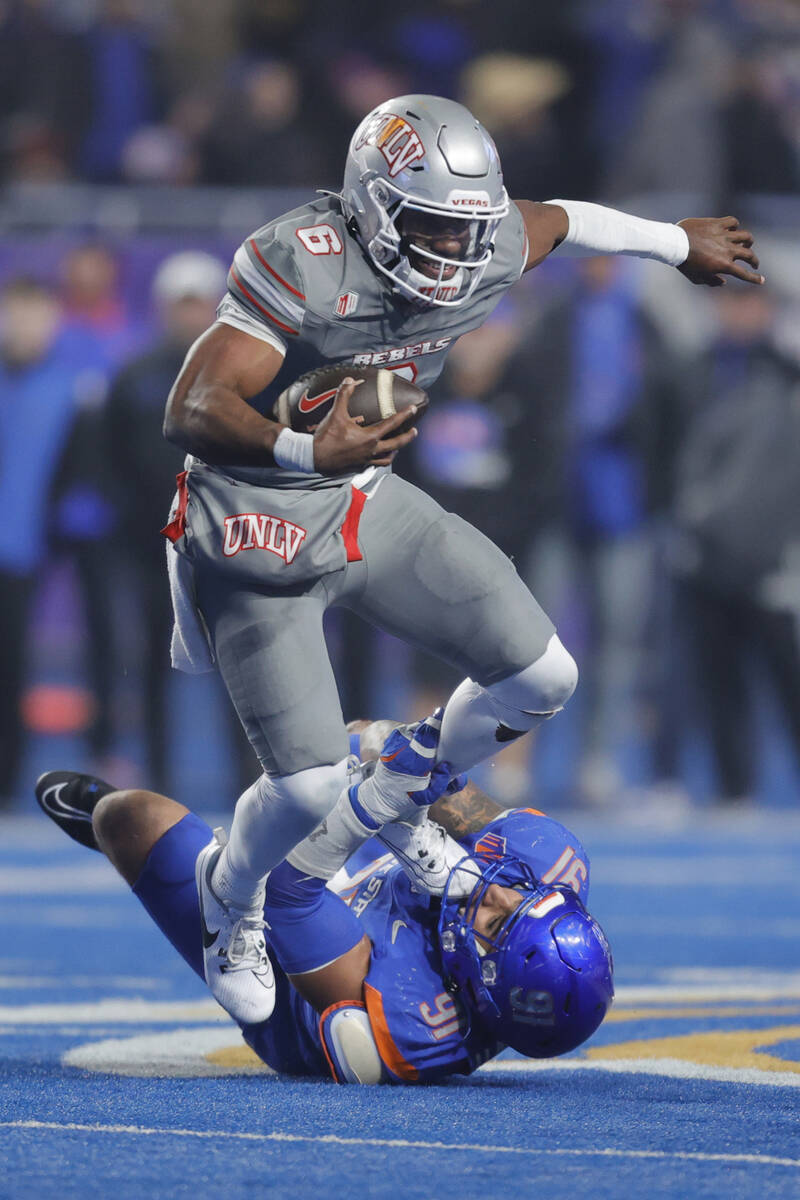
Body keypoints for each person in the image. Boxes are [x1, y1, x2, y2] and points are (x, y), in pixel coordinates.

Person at [160, 93, 762, 1023]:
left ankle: (394, 792)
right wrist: (303, 451)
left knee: (542, 673)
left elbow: (568, 220)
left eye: (467, 230)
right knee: (307, 781)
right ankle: (227, 897)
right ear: (373, 206)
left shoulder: (484, 242)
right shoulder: (306, 259)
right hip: (260, 514)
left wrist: (677, 246)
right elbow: (192, 404)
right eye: (435, 229)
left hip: (363, 497)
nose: (457, 254)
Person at [34, 716, 614, 1084]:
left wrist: (366, 803)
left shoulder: (421, 1021)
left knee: (130, 818)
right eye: (521, 898)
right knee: (374, 744)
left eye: (499, 921)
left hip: (296, 979)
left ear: (482, 981)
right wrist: (378, 752)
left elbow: (287, 894)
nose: (500, 892)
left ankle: (120, 831)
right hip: (386, 877)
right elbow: (447, 792)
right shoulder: (549, 864)